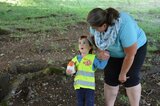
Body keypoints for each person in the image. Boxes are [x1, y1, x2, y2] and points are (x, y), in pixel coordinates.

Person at [87, 7, 147, 106]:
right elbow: (94, 38)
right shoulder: (96, 24)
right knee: (110, 79)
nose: (93, 29)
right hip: (112, 52)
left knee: (130, 79)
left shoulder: (124, 26)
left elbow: (130, 54)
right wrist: (101, 51)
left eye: (95, 28)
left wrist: (123, 73)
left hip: (134, 50)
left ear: (104, 25)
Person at [66, 35, 109, 106]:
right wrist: (68, 72)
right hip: (78, 86)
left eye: (84, 43)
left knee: (89, 103)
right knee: (80, 103)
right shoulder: (75, 59)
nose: (81, 45)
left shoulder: (92, 58)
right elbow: (71, 71)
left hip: (89, 87)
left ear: (90, 47)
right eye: (79, 43)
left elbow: (101, 66)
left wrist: (106, 57)